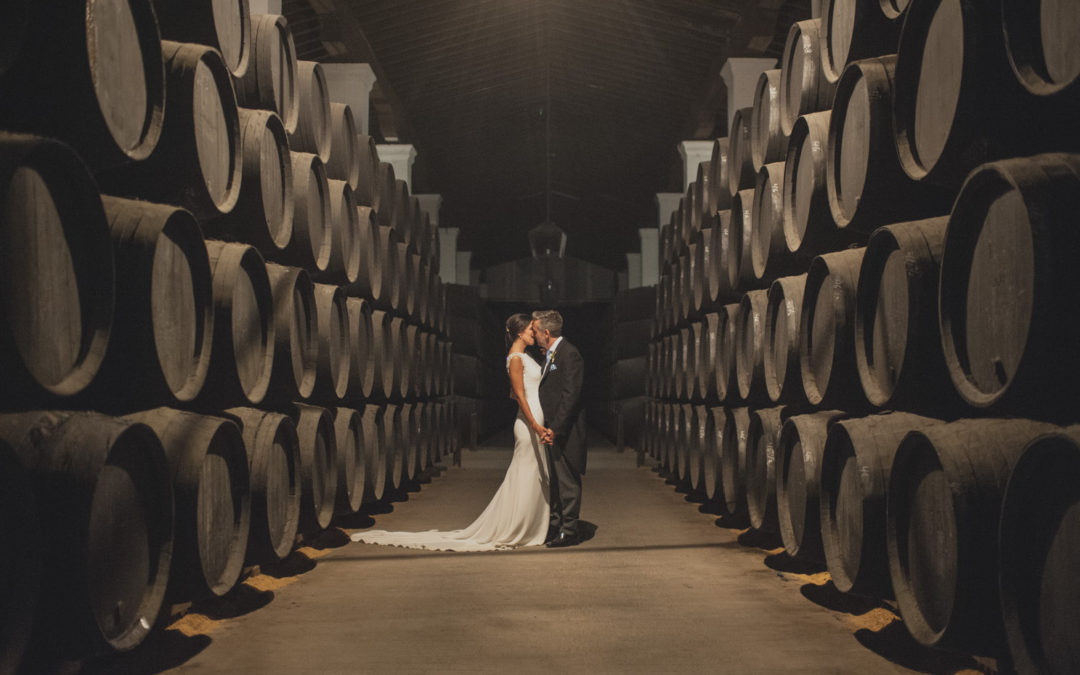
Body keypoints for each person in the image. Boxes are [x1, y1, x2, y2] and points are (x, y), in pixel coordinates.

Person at [350, 313, 550, 551]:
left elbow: (514, 392)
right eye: (530, 329)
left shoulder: (522, 356)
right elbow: (518, 395)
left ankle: (527, 526)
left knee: (533, 474)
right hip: (529, 423)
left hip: (533, 418)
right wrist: (536, 425)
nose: (533, 333)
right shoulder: (516, 358)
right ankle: (518, 527)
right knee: (525, 474)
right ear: (519, 332)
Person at [531, 310, 587, 548]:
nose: (533, 335)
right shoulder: (552, 355)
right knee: (554, 481)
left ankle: (570, 530)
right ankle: (555, 526)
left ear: (546, 332)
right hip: (551, 430)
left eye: (535, 331)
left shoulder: (569, 354)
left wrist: (556, 428)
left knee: (566, 481)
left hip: (564, 431)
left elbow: (570, 396)